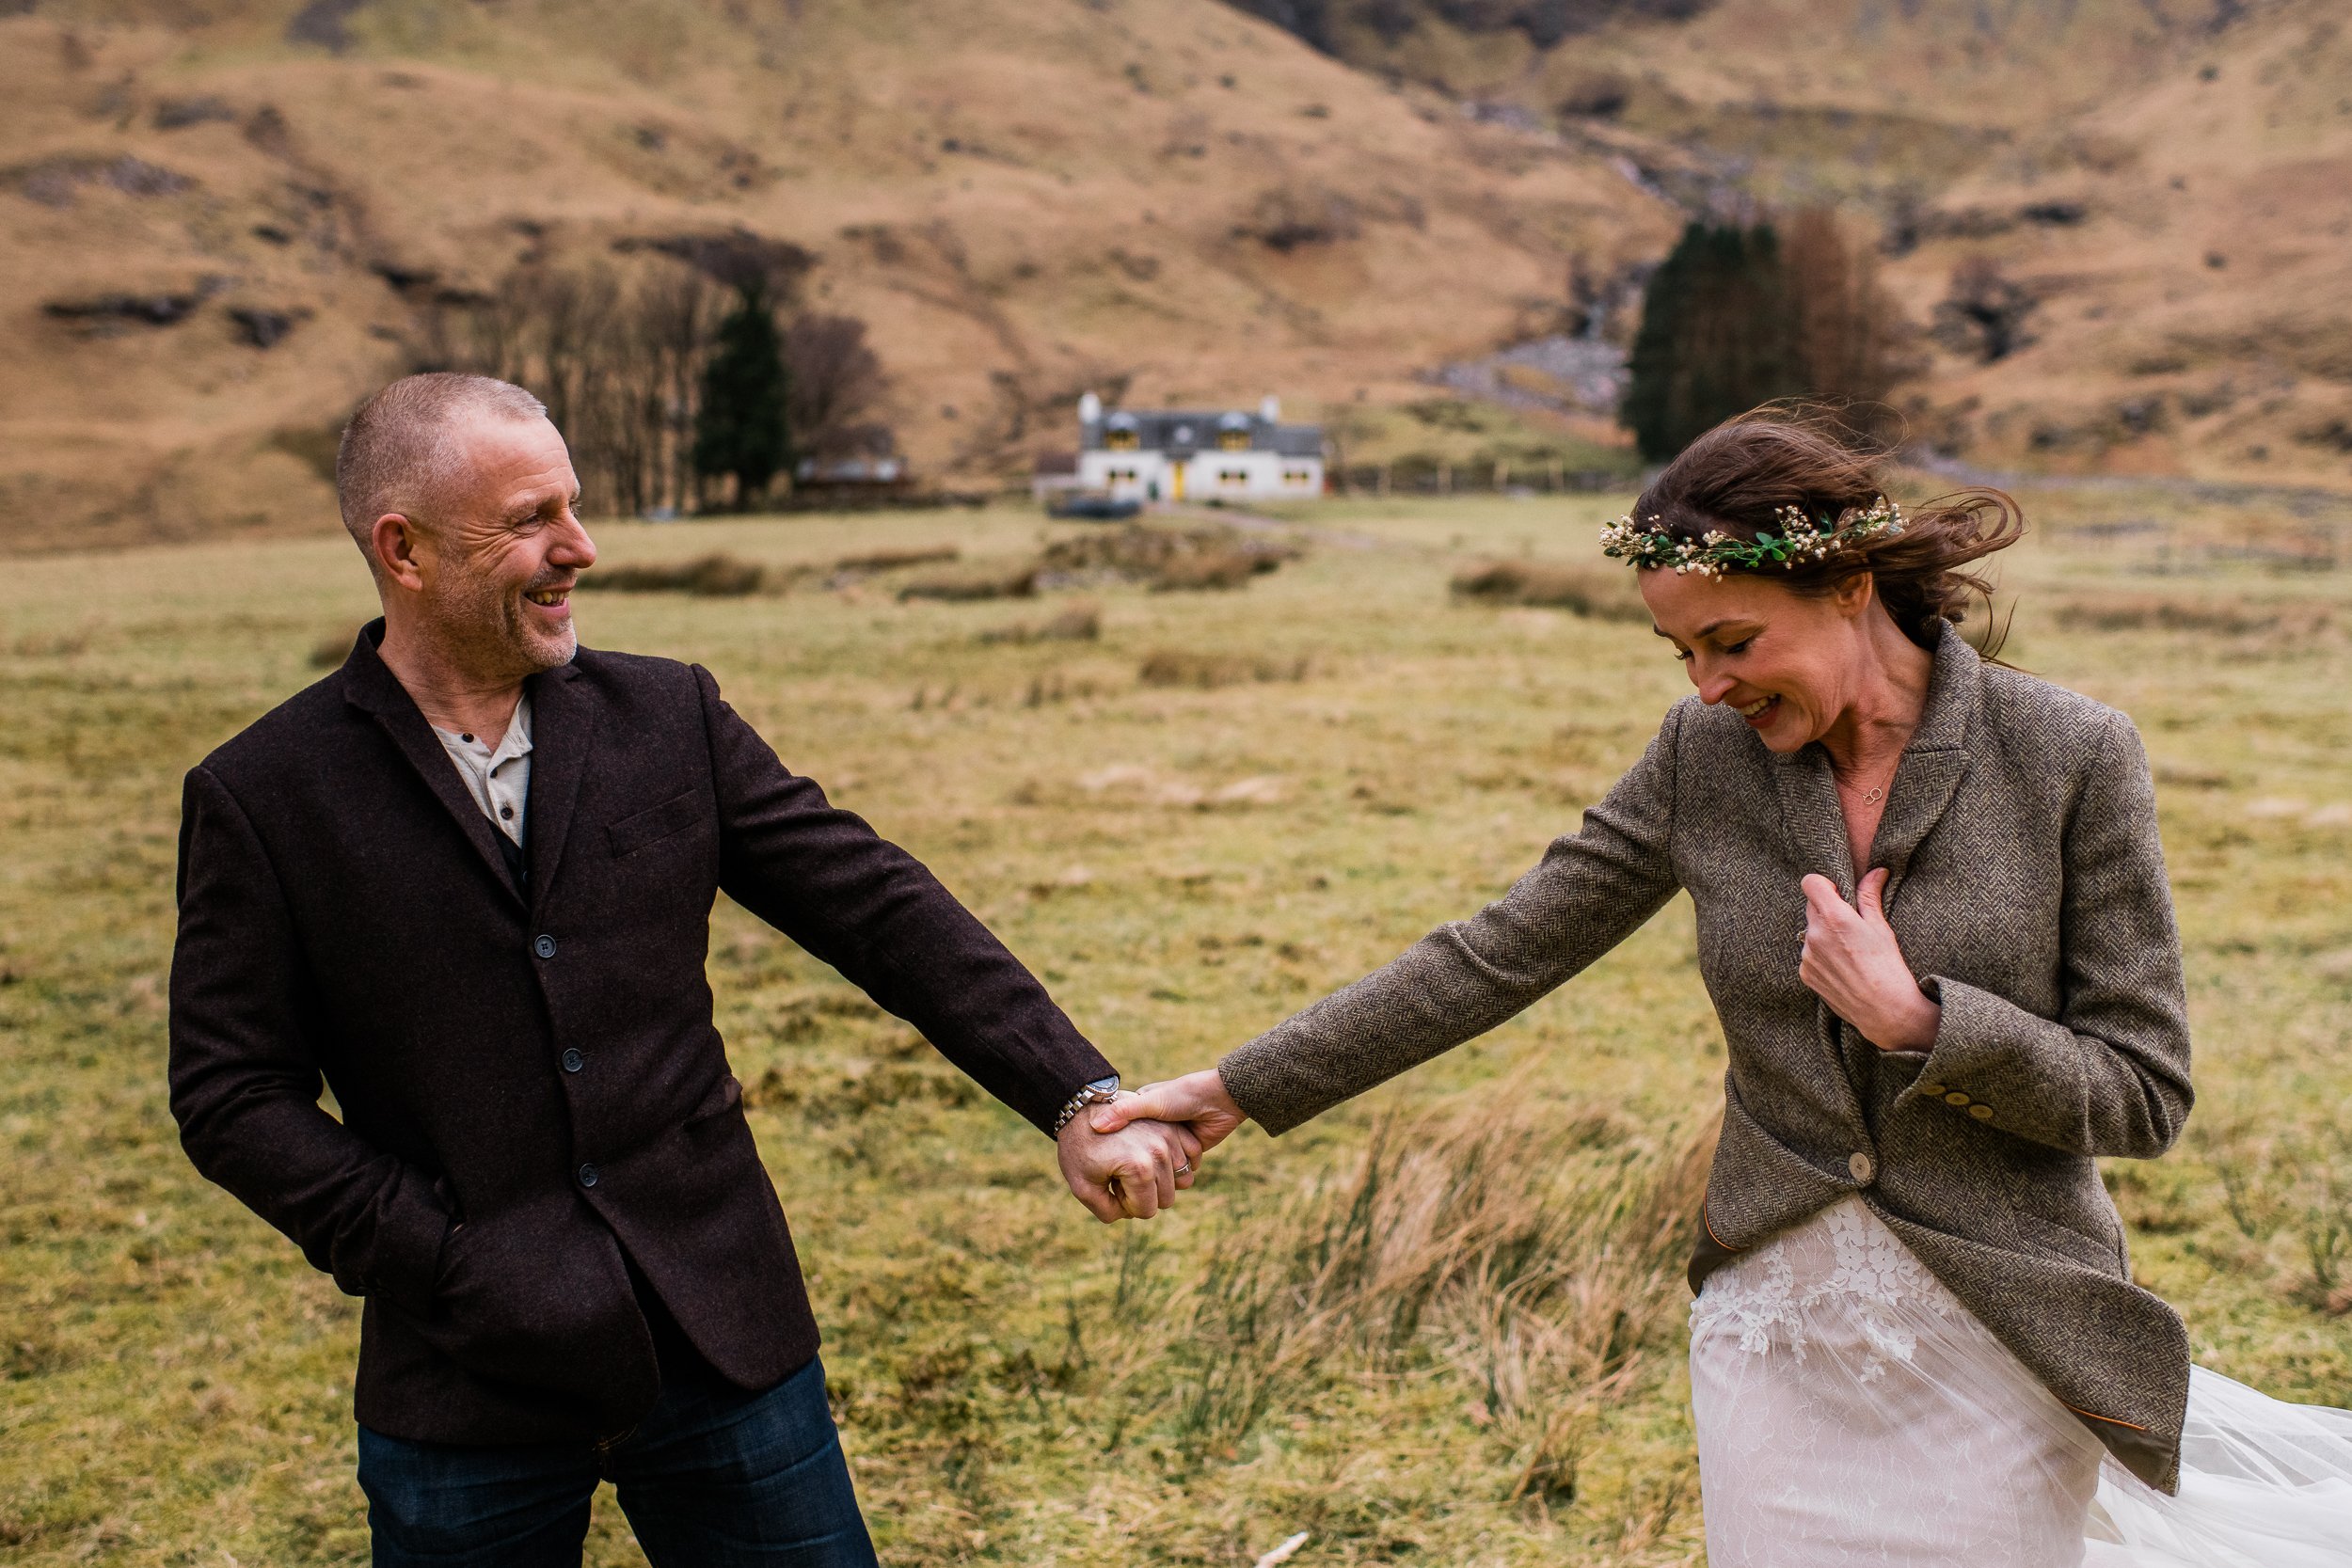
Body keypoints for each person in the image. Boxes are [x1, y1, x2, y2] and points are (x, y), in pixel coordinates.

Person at [1097, 415, 2352, 1565]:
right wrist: (1234, 1086)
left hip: (2010, 1329)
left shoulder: (2072, 753)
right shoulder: (1705, 757)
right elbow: (1499, 950)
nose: (1705, 683)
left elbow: (2143, 1092)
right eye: (1682, 648)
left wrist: (1924, 1024)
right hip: (1779, 1329)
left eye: (1734, 641)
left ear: (1852, 586)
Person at [167, 372, 1201, 1567]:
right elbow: (231, 1094)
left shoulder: (670, 716)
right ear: (403, 550)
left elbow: (880, 909)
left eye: (575, 505)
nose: (580, 547)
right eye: (528, 519)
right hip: (461, 1372)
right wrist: (441, 1260)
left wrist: (1075, 1097)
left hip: (726, 1333)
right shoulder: (264, 792)